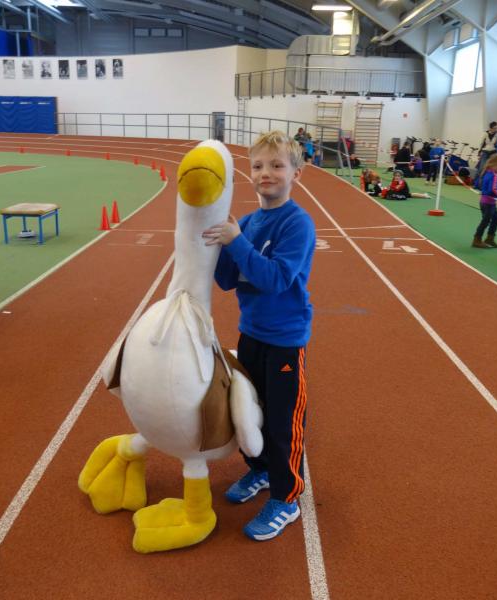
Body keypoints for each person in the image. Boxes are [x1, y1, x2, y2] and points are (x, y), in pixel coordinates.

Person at [203, 131, 315, 542]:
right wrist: (215, 246)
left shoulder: (297, 224)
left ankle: (287, 499)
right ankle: (262, 471)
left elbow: (275, 279)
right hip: (250, 334)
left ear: (296, 174)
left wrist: (238, 244)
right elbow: (227, 280)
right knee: (252, 413)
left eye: (277, 165)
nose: (266, 172)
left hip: (285, 340)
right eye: (257, 166)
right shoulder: (248, 223)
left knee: (284, 422)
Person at [472, 154, 497, 249]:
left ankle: (490, 238)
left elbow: (478, 185)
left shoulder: (486, 172)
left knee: (496, 218)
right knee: (486, 221)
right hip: (489, 203)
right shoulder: (494, 175)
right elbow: (493, 189)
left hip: (485, 202)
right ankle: (477, 239)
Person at [474, 122, 497, 186]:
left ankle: (483, 185)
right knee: (481, 168)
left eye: (496, 128)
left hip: (493, 153)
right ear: (490, 128)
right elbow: (482, 143)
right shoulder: (485, 134)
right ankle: (475, 183)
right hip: (485, 152)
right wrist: (479, 152)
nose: (496, 129)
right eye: (494, 128)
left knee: (490, 170)